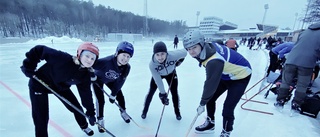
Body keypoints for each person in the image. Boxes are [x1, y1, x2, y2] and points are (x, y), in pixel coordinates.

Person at [20, 43, 99, 137]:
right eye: (87, 56)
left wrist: (90, 112)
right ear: (79, 54)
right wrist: (28, 66)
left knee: (76, 108)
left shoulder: (84, 75)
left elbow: (86, 95)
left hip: (60, 87)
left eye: (93, 58)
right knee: (41, 116)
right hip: (39, 84)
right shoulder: (63, 59)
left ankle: (84, 126)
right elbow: (39, 50)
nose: (89, 60)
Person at [182, 30, 252, 137]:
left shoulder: (214, 60)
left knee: (228, 108)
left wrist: (202, 103)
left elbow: (210, 83)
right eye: (189, 49)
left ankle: (226, 132)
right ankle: (210, 123)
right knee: (211, 98)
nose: (191, 52)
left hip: (240, 76)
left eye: (194, 47)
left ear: (201, 43)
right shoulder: (206, 48)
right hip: (226, 73)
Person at [274, 22, 320, 113]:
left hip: (291, 60)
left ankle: (280, 101)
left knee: (286, 82)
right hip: (307, 63)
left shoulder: (305, 32)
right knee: (302, 85)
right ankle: (296, 104)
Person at [92, 41, 134, 132]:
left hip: (111, 80)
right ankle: (100, 120)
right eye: (123, 55)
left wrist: (114, 94)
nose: (125, 58)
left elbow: (120, 82)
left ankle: (123, 112)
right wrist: (92, 75)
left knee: (120, 96)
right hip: (98, 80)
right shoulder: (106, 61)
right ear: (117, 53)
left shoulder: (127, 67)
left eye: (128, 56)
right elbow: (90, 65)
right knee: (100, 100)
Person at [141, 41, 187, 120]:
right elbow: (158, 81)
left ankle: (177, 112)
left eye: (162, 54)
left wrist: (180, 61)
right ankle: (144, 111)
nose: (160, 57)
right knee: (151, 92)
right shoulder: (152, 65)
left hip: (171, 73)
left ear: (166, 53)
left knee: (174, 93)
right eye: (157, 55)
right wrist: (163, 94)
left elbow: (185, 52)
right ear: (154, 54)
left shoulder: (173, 55)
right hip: (159, 75)